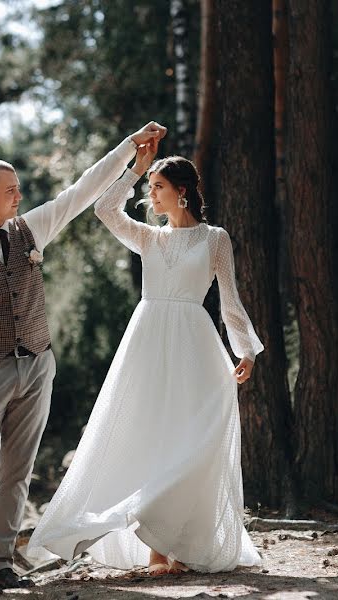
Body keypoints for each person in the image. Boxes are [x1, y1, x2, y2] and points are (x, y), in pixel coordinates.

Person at [0, 121, 167, 597]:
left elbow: (82, 188)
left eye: (18, 189)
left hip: (36, 366)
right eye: (10, 190)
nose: (19, 195)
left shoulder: (31, 228)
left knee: (17, 471)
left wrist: (129, 149)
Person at [25, 140, 263, 575]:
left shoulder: (215, 239)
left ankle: (182, 544)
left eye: (157, 187)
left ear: (182, 191)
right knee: (149, 433)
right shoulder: (147, 236)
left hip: (195, 344)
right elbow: (105, 209)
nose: (150, 195)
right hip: (148, 343)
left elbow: (229, 299)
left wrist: (244, 349)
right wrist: (136, 168)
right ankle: (156, 551)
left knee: (193, 439)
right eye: (150, 187)